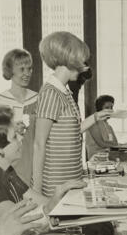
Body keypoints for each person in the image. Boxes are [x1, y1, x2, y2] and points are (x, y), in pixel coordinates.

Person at [0, 106, 85, 226]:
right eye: (15, 136)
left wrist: (68, 200)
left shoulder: (6, 170)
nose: (21, 139)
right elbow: (22, 222)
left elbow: (39, 201)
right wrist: (54, 203)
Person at [32, 31, 112, 197]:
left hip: (71, 179)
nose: (84, 65)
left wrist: (96, 116)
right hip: (55, 184)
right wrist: (36, 192)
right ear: (69, 58)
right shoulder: (50, 93)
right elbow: (39, 143)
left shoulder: (64, 93)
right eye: (81, 60)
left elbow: (73, 131)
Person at [0, 48, 38, 184]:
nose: (27, 73)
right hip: (9, 162)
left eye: (29, 69)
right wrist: (10, 128)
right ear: (10, 71)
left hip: (34, 161)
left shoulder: (37, 98)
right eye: (22, 69)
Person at [85, 95, 125, 160]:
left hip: (108, 158)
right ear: (100, 109)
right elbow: (101, 144)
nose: (110, 110)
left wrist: (122, 146)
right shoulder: (93, 123)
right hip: (95, 160)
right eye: (107, 108)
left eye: (111, 107)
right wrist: (120, 146)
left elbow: (115, 143)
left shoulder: (109, 126)